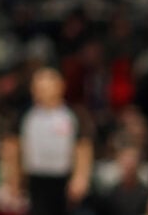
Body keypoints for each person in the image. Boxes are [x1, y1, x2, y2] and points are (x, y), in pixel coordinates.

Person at [15, 67, 93, 215]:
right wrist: (14, 178)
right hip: (34, 178)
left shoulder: (72, 114)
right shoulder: (26, 115)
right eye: (37, 86)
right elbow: (13, 146)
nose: (41, 91)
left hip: (62, 179)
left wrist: (80, 176)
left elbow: (83, 146)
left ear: (60, 86)